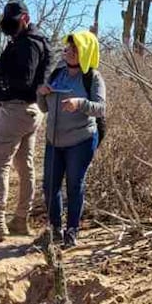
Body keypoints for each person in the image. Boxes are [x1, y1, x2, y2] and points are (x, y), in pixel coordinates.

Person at [0, 1, 51, 241]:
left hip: (16, 109)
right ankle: (20, 220)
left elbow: (23, 80)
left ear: (25, 18)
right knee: (24, 164)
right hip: (33, 110)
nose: (8, 24)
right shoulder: (37, 42)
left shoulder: (27, 44)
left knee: (0, 165)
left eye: (14, 19)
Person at [37, 30, 106, 248]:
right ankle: (55, 230)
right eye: (68, 48)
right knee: (50, 186)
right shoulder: (57, 73)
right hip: (54, 140)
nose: (69, 52)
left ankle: (72, 231)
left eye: (75, 49)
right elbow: (43, 107)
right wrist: (42, 92)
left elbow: (101, 108)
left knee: (74, 185)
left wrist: (80, 103)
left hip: (81, 141)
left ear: (86, 52)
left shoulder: (92, 78)